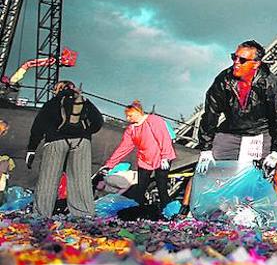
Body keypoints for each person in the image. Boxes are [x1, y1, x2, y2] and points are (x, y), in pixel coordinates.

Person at [193, 40, 277, 209]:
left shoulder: (270, 83)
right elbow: (211, 113)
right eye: (234, 57)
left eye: (242, 60)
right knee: (204, 166)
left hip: (260, 131)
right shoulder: (224, 79)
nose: (236, 63)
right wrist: (205, 148)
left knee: (276, 169)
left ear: (256, 64)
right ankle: (188, 210)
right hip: (231, 130)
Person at [26, 81, 103, 218]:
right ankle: (84, 216)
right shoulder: (85, 102)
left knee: (48, 180)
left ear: (57, 90)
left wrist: (31, 149)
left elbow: (38, 126)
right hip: (82, 142)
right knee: (81, 180)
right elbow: (98, 121)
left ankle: (41, 215)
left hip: (56, 141)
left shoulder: (53, 102)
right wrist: (86, 132)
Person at [99, 101, 176, 214]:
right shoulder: (132, 129)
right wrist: (110, 164)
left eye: (130, 115)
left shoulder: (153, 120)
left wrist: (165, 156)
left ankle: (169, 213)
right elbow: (123, 148)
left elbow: (163, 138)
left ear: (138, 112)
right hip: (144, 160)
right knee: (140, 188)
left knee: (162, 187)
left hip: (161, 158)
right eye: (127, 116)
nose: (128, 118)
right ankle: (135, 212)